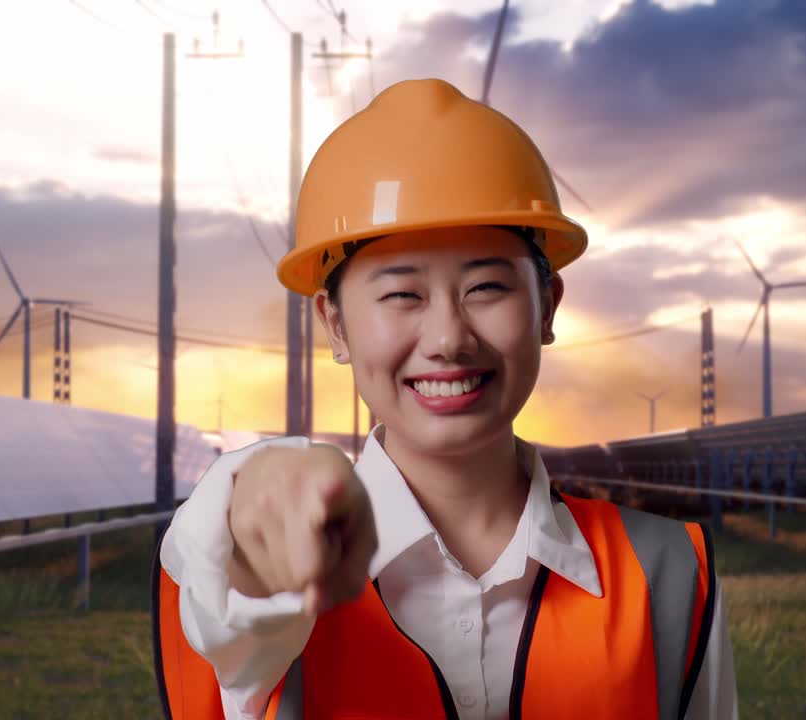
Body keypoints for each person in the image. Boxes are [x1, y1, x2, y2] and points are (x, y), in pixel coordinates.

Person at [152, 77, 738, 719]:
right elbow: (220, 592)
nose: (448, 339)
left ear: (549, 307)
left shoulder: (669, 572)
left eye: (486, 287)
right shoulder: (261, 573)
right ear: (335, 325)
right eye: (402, 294)